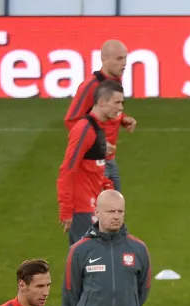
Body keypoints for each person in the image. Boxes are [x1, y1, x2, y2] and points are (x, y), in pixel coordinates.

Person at [56, 80, 122, 306]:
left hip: (93, 205)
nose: (120, 108)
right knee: (85, 263)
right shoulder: (85, 129)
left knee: (87, 262)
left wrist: (106, 188)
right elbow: (67, 169)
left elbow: (91, 169)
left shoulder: (98, 128)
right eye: (117, 102)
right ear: (102, 101)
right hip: (82, 209)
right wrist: (66, 210)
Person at [64, 40, 137, 192]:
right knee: (101, 211)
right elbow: (71, 120)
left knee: (115, 211)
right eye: (119, 59)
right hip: (93, 163)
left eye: (125, 58)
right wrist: (98, 143)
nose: (124, 63)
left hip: (109, 160)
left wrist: (122, 118)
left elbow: (103, 110)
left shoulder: (115, 80)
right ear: (104, 60)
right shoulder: (90, 86)